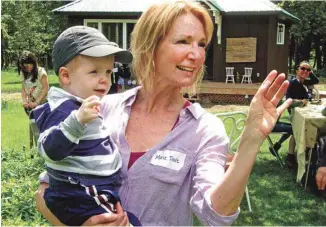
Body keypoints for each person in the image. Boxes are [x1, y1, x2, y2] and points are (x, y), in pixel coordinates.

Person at [35, 1, 292, 226]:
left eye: (201, 44)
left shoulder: (204, 129)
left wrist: (250, 141)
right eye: (183, 41)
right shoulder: (102, 109)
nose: (196, 54)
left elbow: (215, 214)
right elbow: (46, 190)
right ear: (150, 47)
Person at [30, 26, 139, 226]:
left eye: (108, 71)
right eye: (94, 71)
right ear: (65, 76)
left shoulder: (83, 105)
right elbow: (48, 149)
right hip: (82, 191)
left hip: (91, 188)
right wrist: (77, 121)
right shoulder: (64, 110)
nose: (104, 79)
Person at [275, 61, 319, 168]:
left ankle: (307, 153)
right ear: (297, 70)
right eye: (303, 69)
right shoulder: (293, 82)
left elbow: (316, 80)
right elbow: (288, 100)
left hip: (305, 111)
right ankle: (291, 156)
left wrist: (308, 72)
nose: (305, 71)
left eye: (308, 70)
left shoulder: (304, 81)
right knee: (297, 130)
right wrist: (300, 101)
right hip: (295, 112)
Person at [18, 50, 49, 116]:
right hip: (31, 107)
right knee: (33, 124)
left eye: (27, 66)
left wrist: (36, 103)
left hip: (43, 105)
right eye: (24, 67)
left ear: (32, 62)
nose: (26, 69)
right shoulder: (23, 73)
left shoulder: (41, 72)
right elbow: (23, 89)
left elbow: (45, 89)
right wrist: (25, 101)